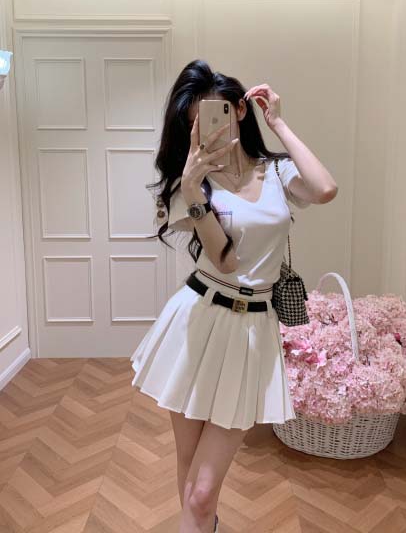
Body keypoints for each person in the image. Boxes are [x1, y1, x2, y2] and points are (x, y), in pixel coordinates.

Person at [130, 59, 338, 532]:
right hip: (196, 321)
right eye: (195, 125)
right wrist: (192, 190)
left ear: (239, 110)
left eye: (216, 116)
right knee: (190, 474)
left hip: (251, 332)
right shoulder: (188, 185)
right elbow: (224, 261)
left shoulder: (277, 173)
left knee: (202, 491)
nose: (208, 132)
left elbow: (325, 189)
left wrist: (278, 122)